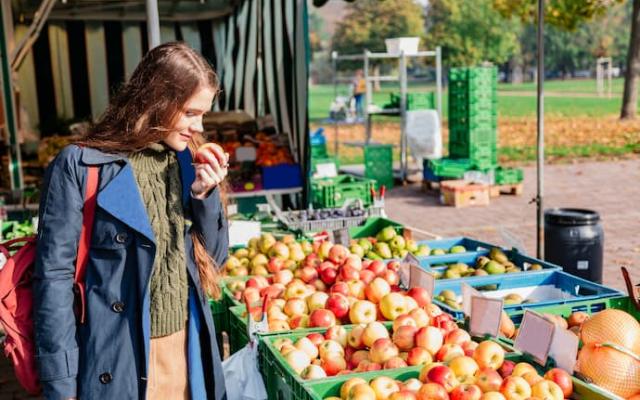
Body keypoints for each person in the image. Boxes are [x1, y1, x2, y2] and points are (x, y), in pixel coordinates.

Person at [32, 42, 229, 400]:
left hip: (186, 354)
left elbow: (213, 264)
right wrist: (60, 383)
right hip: (114, 358)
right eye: (189, 113)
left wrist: (204, 196)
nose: (198, 126)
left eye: (203, 114)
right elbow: (53, 279)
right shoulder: (80, 166)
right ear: (157, 101)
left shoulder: (186, 162)